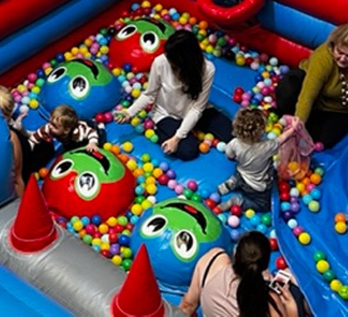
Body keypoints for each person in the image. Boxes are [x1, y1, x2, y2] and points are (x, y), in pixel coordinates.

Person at [116, 29, 232, 161]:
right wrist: (129, 112)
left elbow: (197, 108)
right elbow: (149, 94)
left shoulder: (207, 69)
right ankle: (162, 130)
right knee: (189, 151)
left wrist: (178, 136)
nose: (169, 61)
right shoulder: (160, 62)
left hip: (197, 111)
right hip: (167, 113)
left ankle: (185, 129)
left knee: (231, 133)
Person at [179, 231, 310, 317]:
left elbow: (187, 305)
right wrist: (291, 308)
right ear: (264, 265)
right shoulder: (271, 302)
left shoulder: (212, 260)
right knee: (294, 285)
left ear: (236, 254)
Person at [0, 85, 54, 196]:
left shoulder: (11, 136)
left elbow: (18, 178)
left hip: (27, 156)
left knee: (44, 147)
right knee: (42, 145)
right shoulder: (10, 135)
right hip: (26, 153)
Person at [216, 108, 279, 213]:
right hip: (257, 187)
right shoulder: (268, 146)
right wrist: (293, 129)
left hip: (241, 174)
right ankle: (238, 201)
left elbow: (229, 156)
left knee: (240, 172)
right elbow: (281, 140)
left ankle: (231, 183)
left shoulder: (234, 143)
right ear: (261, 131)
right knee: (264, 206)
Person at [28, 104, 102, 154]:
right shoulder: (49, 128)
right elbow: (35, 137)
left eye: (54, 125)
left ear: (66, 130)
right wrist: (29, 147)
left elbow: (92, 132)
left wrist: (92, 143)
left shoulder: (78, 132)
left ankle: (101, 127)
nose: (50, 126)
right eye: (50, 122)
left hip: (89, 127)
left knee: (100, 138)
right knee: (68, 147)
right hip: (69, 135)